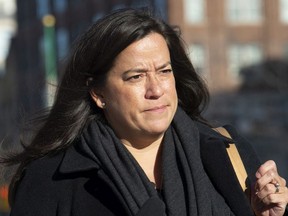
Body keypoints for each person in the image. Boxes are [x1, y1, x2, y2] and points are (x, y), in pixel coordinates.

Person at [1, 8, 287, 216]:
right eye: (135, 76)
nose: (156, 89)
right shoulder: (51, 179)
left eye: (164, 71)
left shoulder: (226, 152)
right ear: (98, 93)